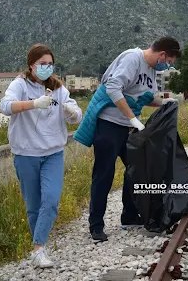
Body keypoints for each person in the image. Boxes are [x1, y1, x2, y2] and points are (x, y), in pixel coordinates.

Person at [73, 36, 181, 242]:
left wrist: (166, 102)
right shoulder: (133, 59)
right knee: (104, 174)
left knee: (136, 170)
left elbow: (145, 98)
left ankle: (129, 215)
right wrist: (132, 118)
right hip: (108, 125)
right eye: (169, 62)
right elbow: (113, 88)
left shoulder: (152, 71)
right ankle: (96, 225)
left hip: (128, 128)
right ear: (162, 55)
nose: (167, 66)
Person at [0, 44, 83, 268]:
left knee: (51, 199)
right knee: (34, 203)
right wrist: (33, 104)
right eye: (42, 64)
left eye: (49, 64)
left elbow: (76, 115)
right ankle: (40, 251)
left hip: (53, 152)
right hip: (26, 153)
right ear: (31, 65)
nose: (46, 68)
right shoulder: (20, 85)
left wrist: (72, 112)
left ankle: (38, 245)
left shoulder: (58, 88)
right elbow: (5, 106)